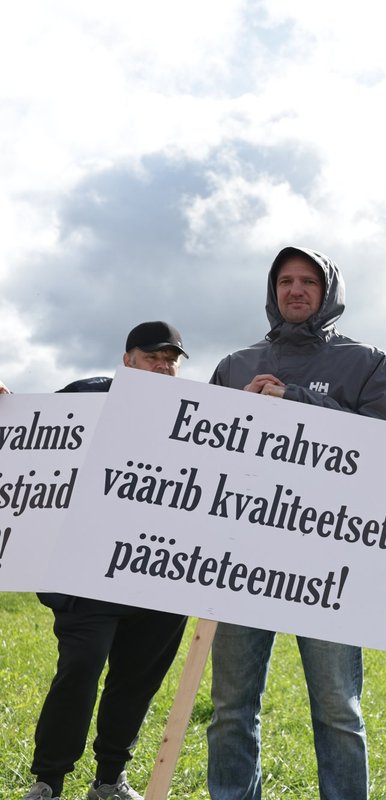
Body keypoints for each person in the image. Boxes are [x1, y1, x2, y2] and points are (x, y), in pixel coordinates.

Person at [206, 246, 386, 800]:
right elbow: (203, 458)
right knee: (229, 707)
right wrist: (233, 414)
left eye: (308, 281)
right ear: (272, 291)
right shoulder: (234, 366)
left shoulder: (365, 362)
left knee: (339, 709)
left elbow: (384, 450)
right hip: (240, 555)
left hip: (328, 558)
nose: (295, 290)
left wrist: (294, 402)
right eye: (285, 281)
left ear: (327, 291)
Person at [23, 322, 191, 800]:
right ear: (127, 360)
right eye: (152, 356)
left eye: (171, 359)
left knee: (136, 680)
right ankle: (49, 780)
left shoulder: (198, 417)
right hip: (86, 575)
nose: (162, 365)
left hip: (160, 574)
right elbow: (31, 437)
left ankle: (110, 779)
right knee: (80, 667)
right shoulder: (85, 395)